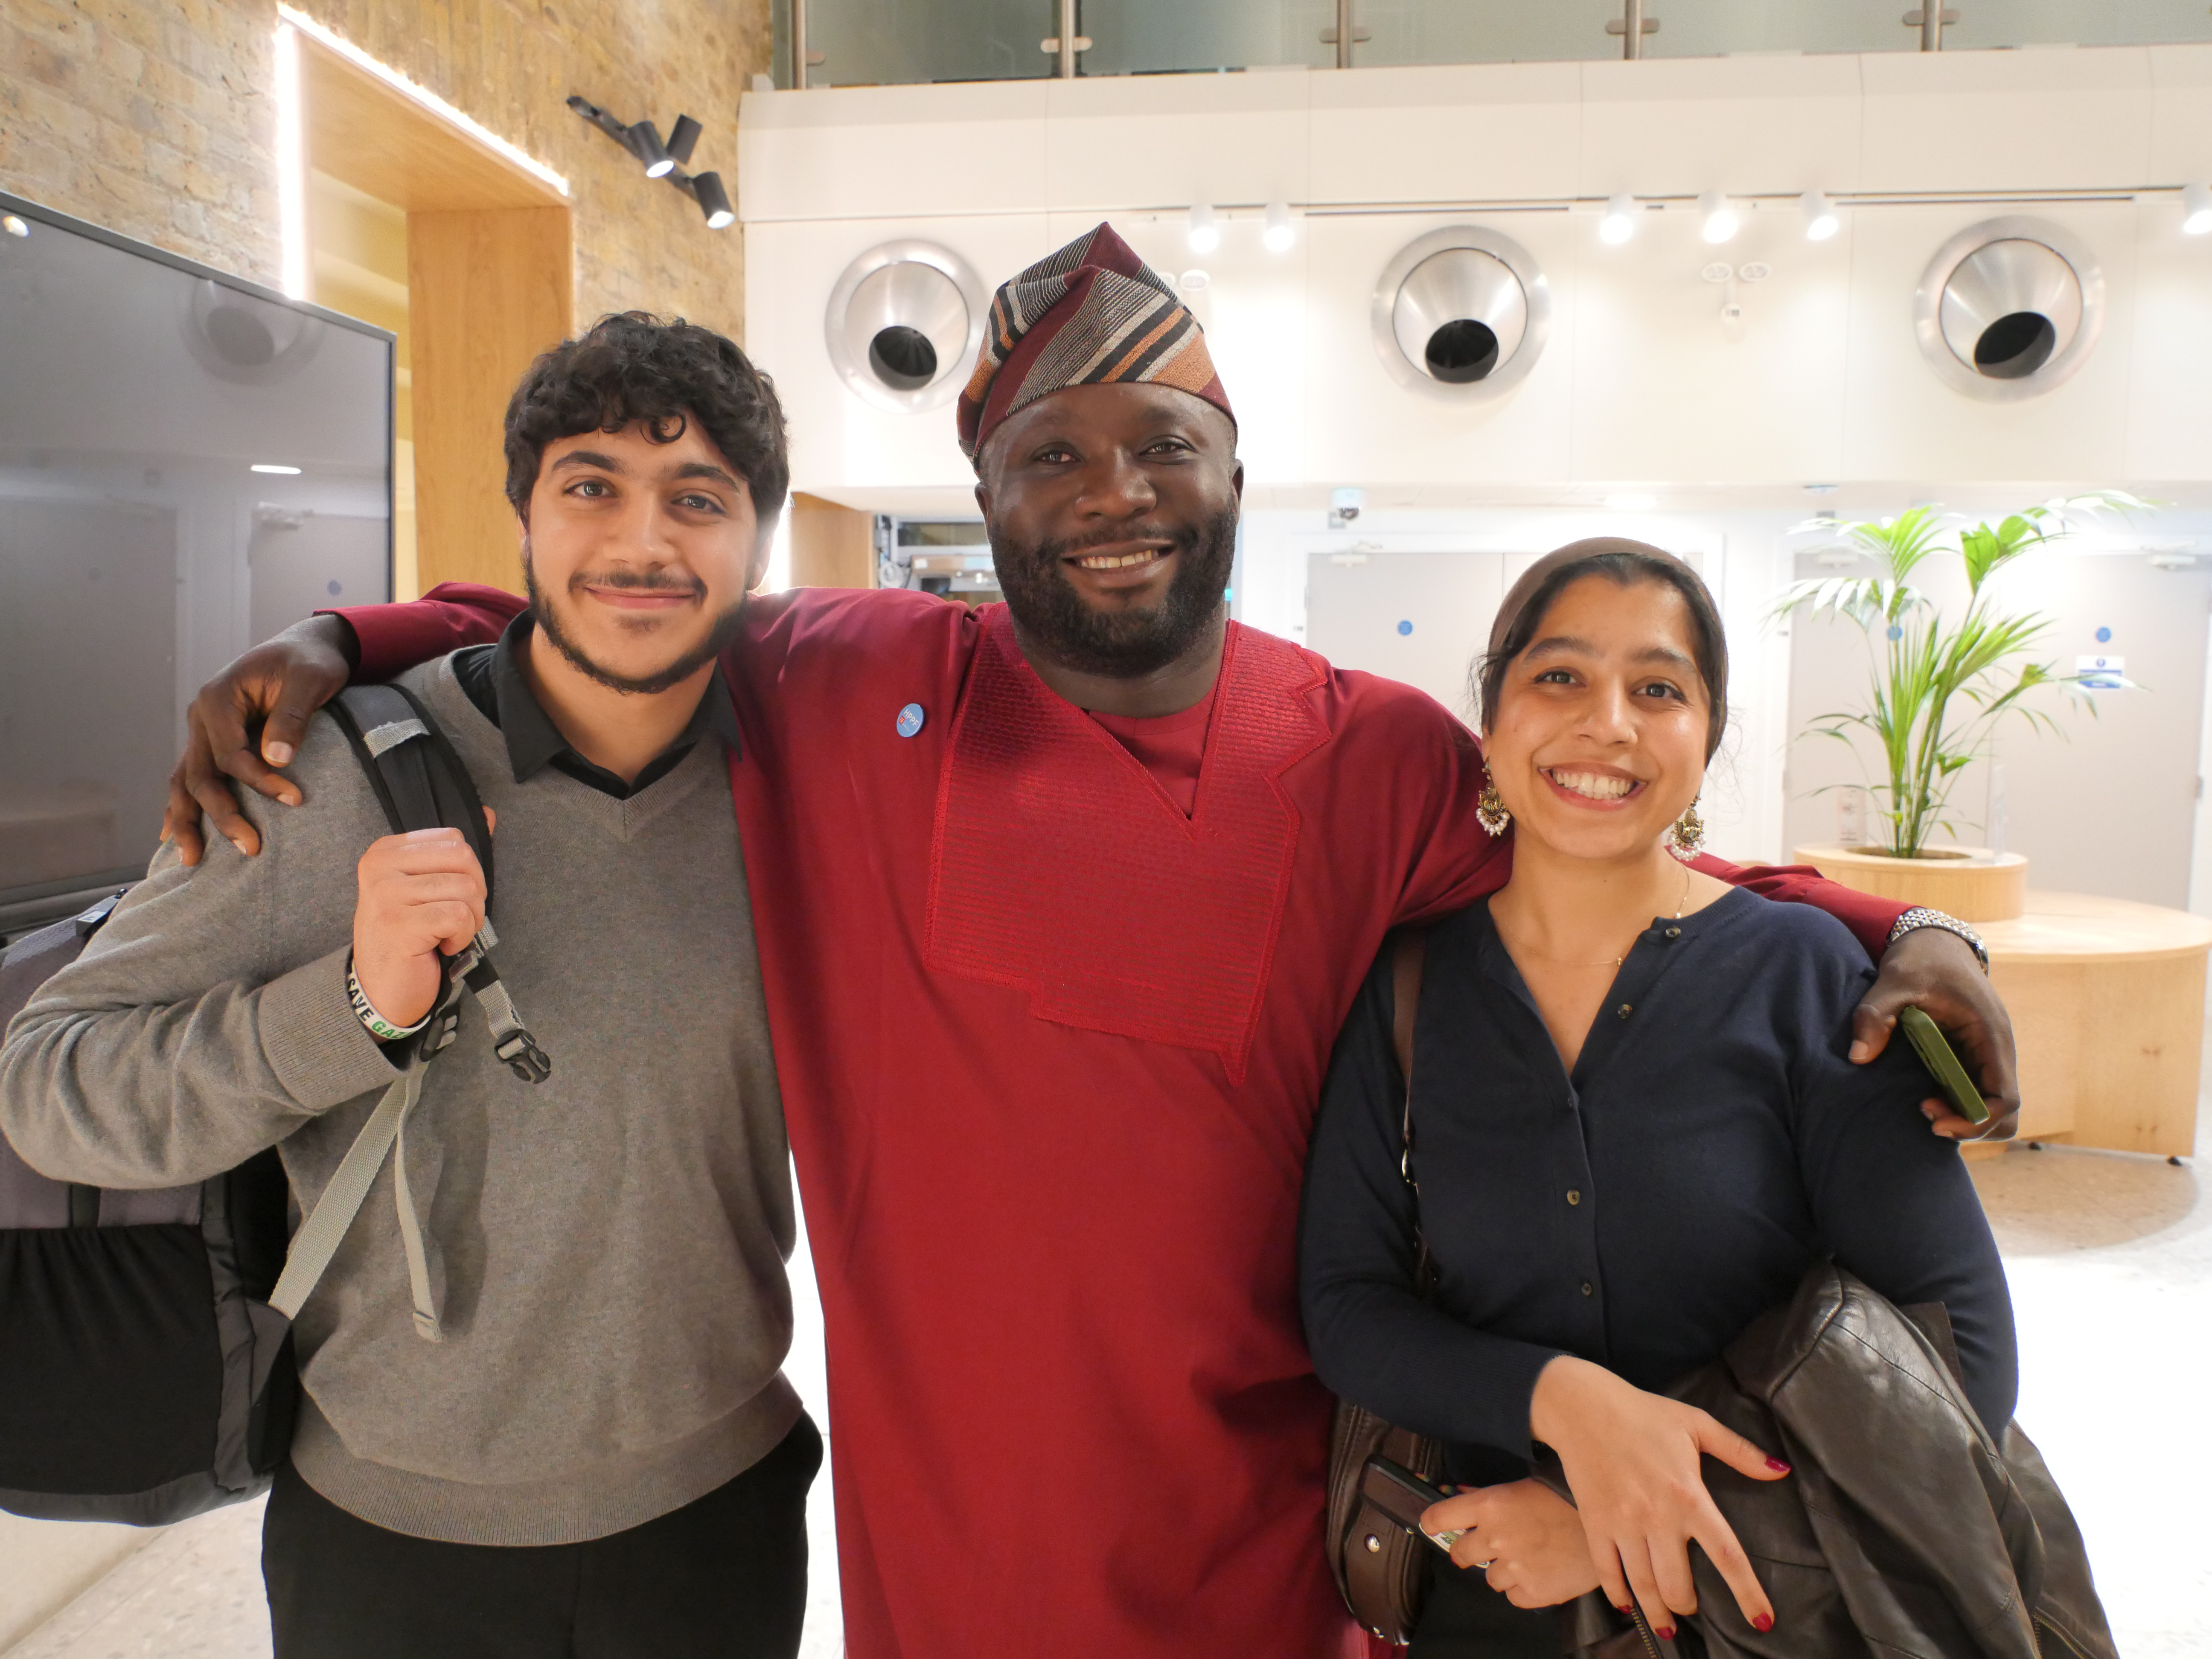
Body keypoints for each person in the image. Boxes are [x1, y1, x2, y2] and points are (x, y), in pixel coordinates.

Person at [160, 227, 2019, 1659]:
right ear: (985, 493)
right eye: (1053, 452)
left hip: (1264, 1542)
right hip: (936, 1558)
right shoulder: (851, 680)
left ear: (1234, 468)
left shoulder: (1362, 752)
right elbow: (609, 612)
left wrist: (1896, 919)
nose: (1111, 492)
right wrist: (347, 635)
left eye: (1162, 445)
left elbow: (1604, 837)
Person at [2, 316, 821, 1659]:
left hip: (718, 1518)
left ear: (759, 537)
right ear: (523, 519)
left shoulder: (805, 794)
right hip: (397, 1544)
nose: (642, 541)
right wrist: (351, 1012)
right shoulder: (327, 779)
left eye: (700, 498)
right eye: (590, 485)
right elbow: (49, 1085)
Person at [1299, 541, 2016, 1656]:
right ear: (1491, 722)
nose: (1610, 725)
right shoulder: (1405, 987)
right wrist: (1559, 1401)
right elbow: (1348, 1308)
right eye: (1561, 677)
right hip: (1495, 1601)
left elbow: (1962, 1351)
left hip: (1776, 1596)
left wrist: (1611, 1520)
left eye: (1659, 689)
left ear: (1708, 735)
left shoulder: (1806, 977)